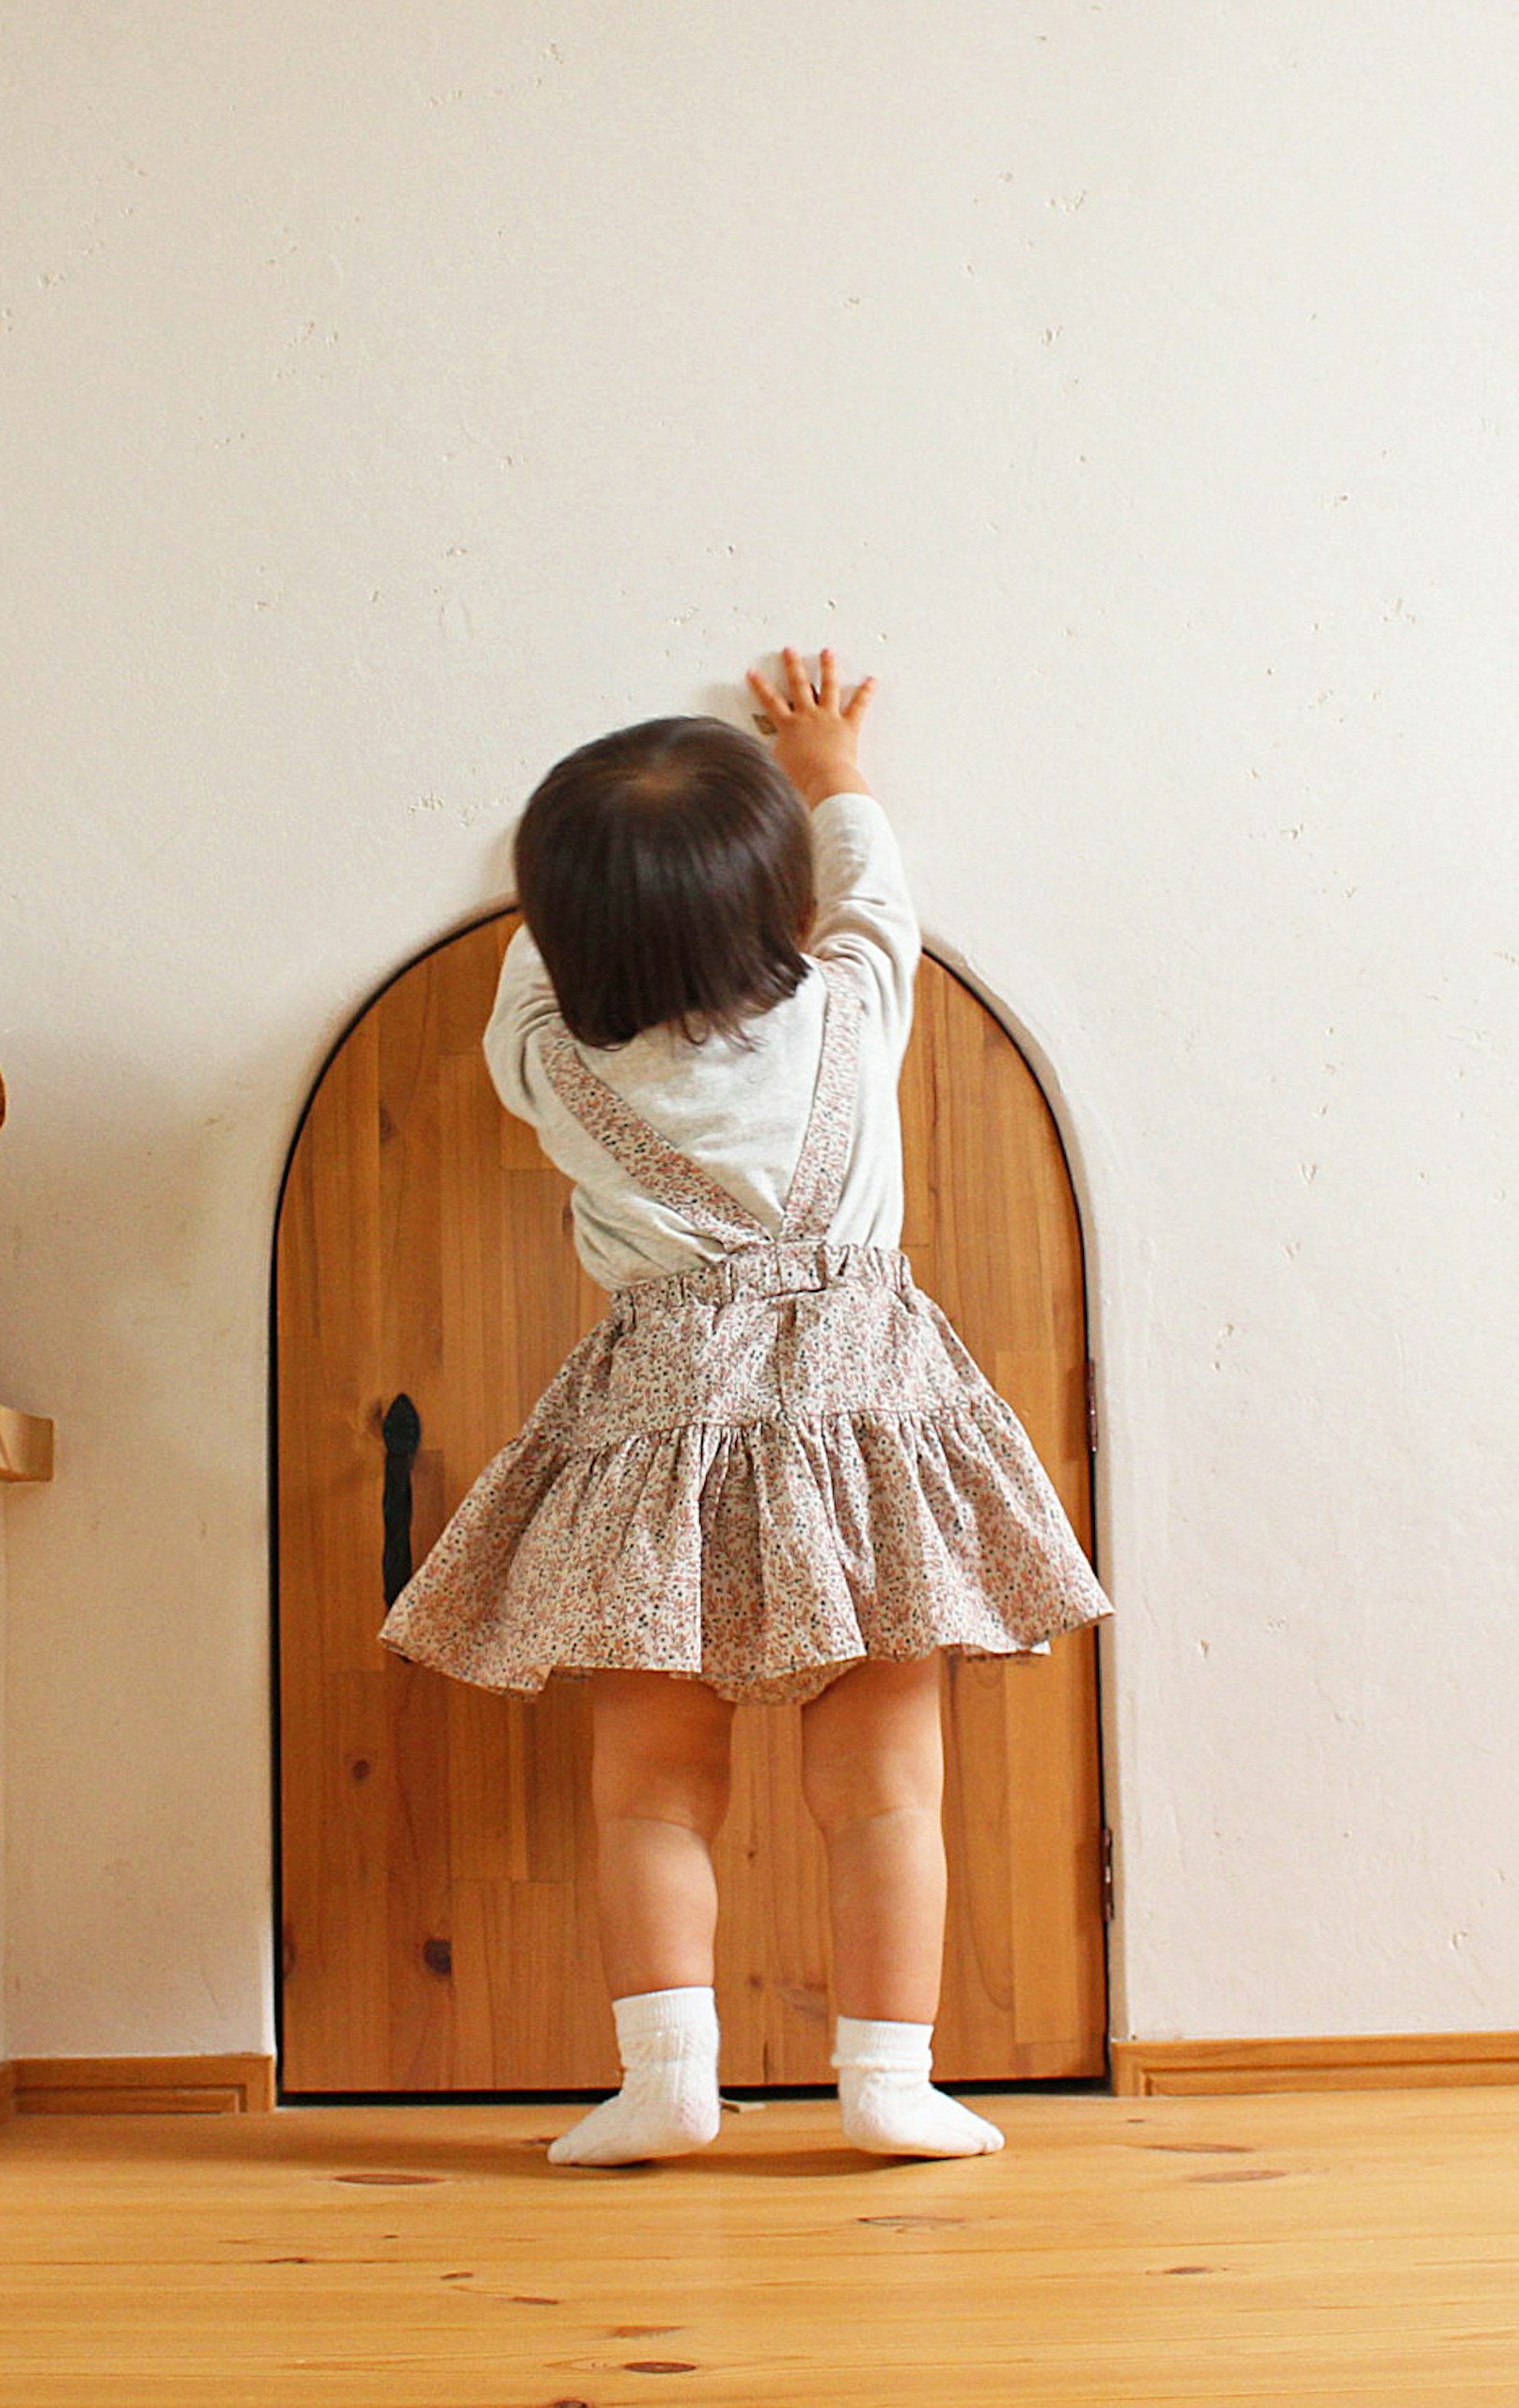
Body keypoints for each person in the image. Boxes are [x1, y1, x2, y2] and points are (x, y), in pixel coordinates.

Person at [380, 650, 1111, 2164]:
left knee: (650, 1791)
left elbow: (529, 965)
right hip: (866, 1431)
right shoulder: (857, 1000)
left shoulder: (552, 1061)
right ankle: (888, 2078)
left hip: (664, 1447)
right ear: (775, 911)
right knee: (887, 1787)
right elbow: (870, 877)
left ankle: (666, 2076)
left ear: (571, 938)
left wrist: (573, 902)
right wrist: (826, 758)